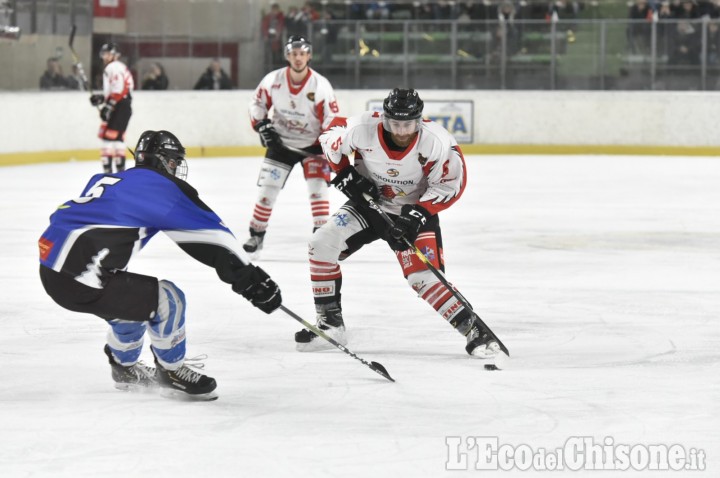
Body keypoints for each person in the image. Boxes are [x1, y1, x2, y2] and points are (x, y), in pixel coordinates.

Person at [38, 130, 282, 401]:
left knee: (133, 304)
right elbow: (211, 235)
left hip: (51, 270)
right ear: (163, 161)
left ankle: (124, 368)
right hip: (81, 276)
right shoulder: (161, 186)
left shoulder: (112, 179)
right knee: (169, 299)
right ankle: (172, 371)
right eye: (175, 161)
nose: (176, 168)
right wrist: (250, 279)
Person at [293, 88, 500, 359]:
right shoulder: (363, 127)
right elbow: (331, 134)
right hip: (367, 206)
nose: (402, 131)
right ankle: (331, 325)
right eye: (395, 123)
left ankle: (474, 330)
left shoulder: (436, 141)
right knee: (321, 243)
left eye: (409, 124)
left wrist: (418, 214)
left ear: (419, 120)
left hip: (412, 213)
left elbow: (451, 183)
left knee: (421, 278)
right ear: (385, 119)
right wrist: (343, 172)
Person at [244, 35, 339, 257]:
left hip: (313, 146)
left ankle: (321, 238)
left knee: (319, 192)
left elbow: (331, 116)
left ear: (309, 55)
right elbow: (257, 103)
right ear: (287, 55)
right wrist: (262, 125)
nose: (298, 58)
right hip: (281, 143)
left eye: (302, 53)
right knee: (267, 190)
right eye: (294, 53)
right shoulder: (273, 80)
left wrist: (327, 144)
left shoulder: (320, 84)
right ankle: (256, 236)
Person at [89, 43, 134, 175]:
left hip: (119, 106)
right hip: (124, 106)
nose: (104, 57)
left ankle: (108, 173)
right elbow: (116, 91)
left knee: (107, 138)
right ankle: (120, 172)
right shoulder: (120, 67)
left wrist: (108, 107)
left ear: (114, 55)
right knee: (118, 138)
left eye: (107, 54)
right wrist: (101, 99)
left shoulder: (112, 67)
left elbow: (118, 90)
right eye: (103, 54)